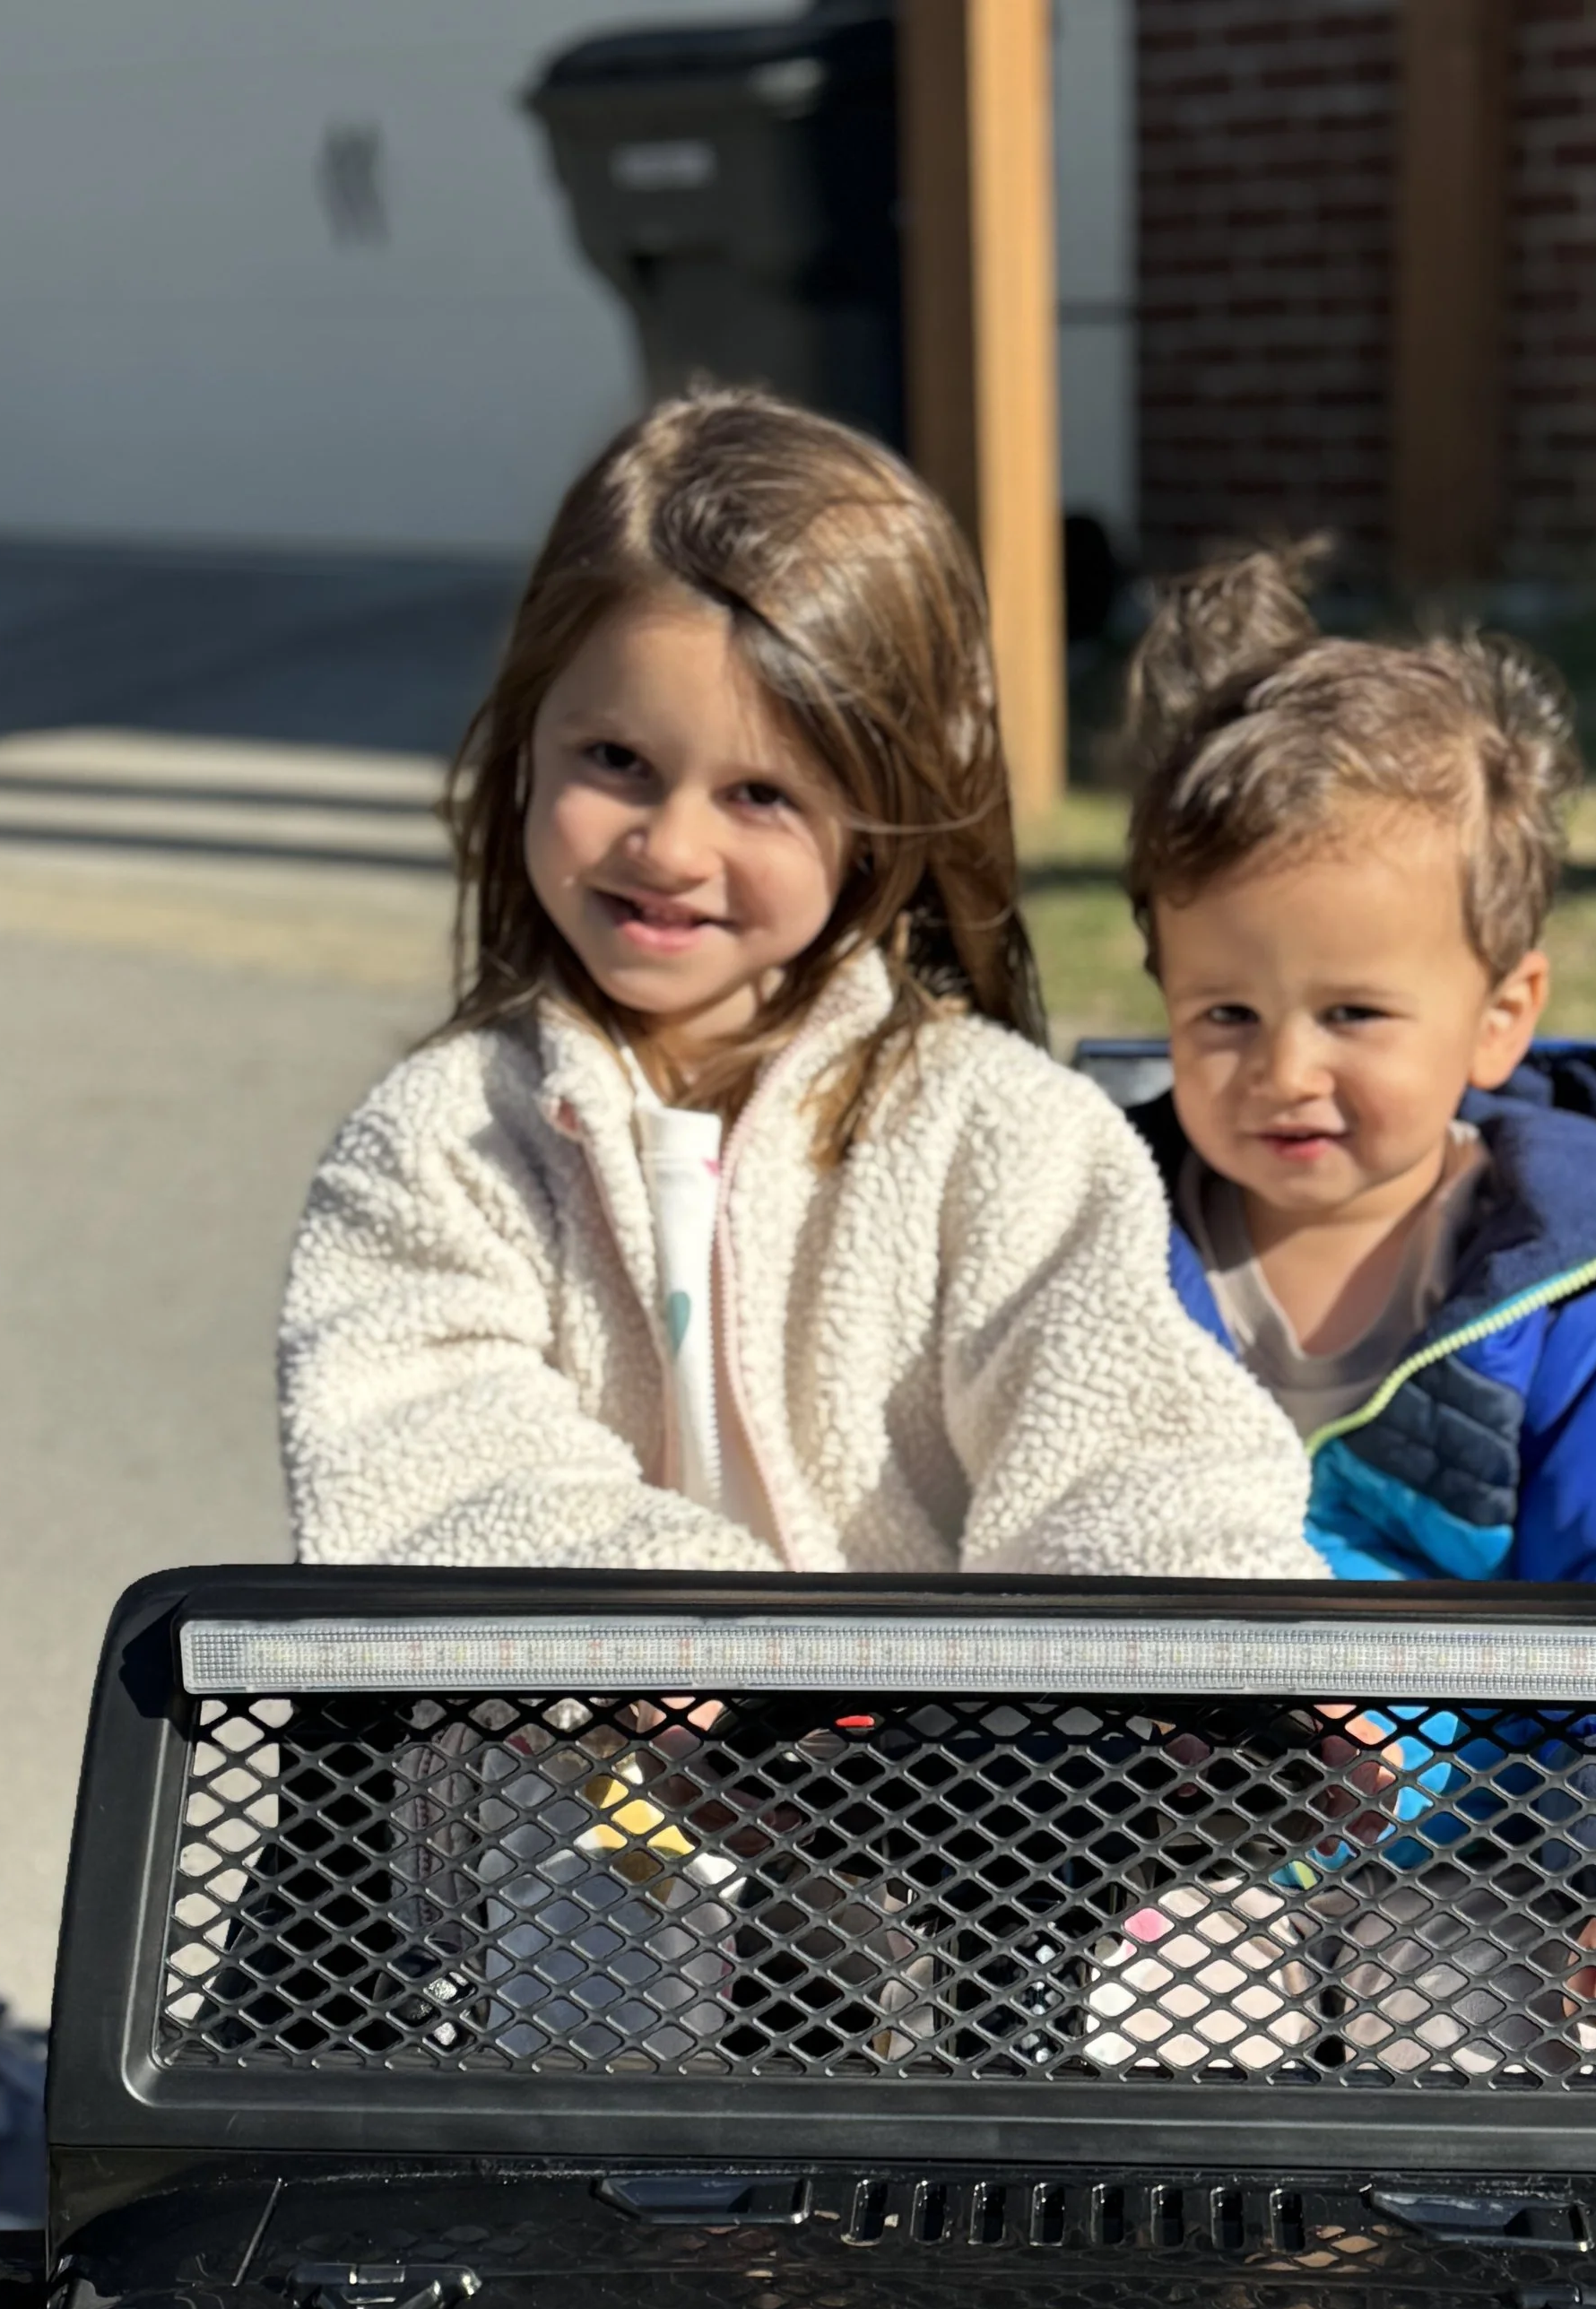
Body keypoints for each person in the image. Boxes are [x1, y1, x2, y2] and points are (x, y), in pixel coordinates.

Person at [278, 392, 1317, 1582]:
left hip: (943, 1717)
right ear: (528, 742)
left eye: (760, 794)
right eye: (616, 760)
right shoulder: (437, 1148)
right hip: (585, 1704)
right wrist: (711, 1637)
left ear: (879, 817)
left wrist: (1213, 1632)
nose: (671, 847)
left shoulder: (1004, 1137)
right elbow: (437, 1467)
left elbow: (1138, 1459)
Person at [1119, 547, 1596, 1587]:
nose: (1285, 1070)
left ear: (1498, 1019)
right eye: (1226, 1014)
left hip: (1482, 1701)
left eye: (1352, 1014)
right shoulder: (1099, 1244)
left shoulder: (1572, 1294)